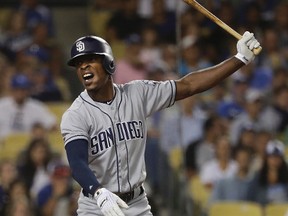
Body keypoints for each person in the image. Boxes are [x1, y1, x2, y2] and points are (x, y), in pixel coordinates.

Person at [61, 31, 260, 216]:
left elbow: (188, 85)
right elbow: (77, 162)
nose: (83, 66)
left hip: (136, 203)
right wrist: (97, 191)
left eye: (90, 59)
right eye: (79, 64)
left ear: (108, 63)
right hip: (97, 205)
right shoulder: (76, 115)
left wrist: (240, 59)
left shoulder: (137, 93)